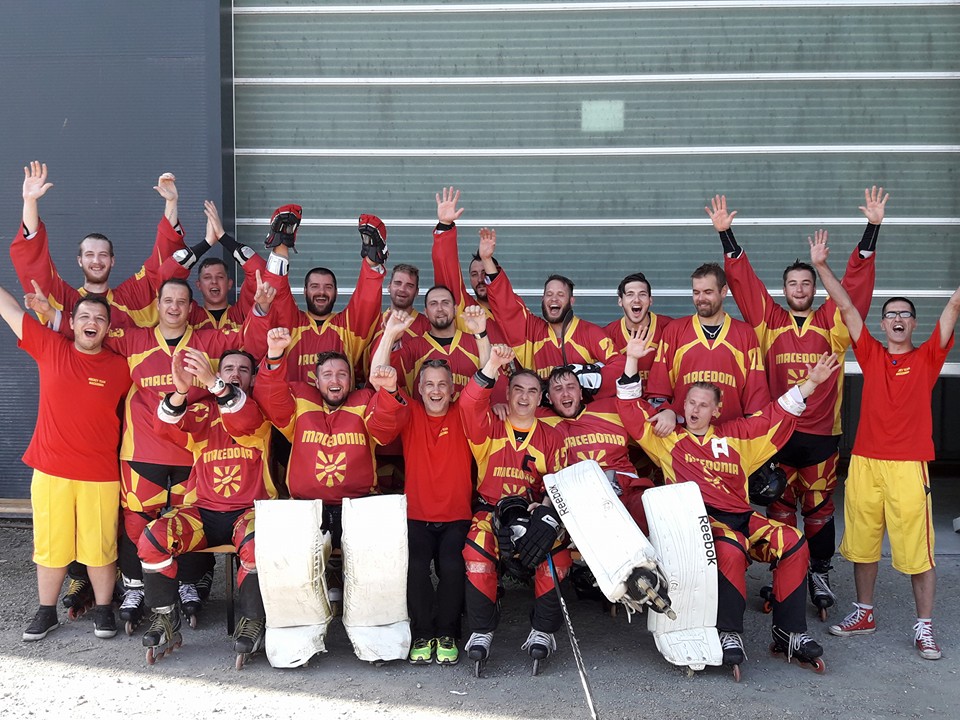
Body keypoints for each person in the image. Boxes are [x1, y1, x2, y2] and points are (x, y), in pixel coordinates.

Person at [618, 328, 841, 676]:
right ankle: (728, 633)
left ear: (716, 409)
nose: (694, 409)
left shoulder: (738, 434)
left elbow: (778, 414)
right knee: (732, 549)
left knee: (793, 542)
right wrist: (632, 359)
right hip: (703, 523)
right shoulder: (668, 438)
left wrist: (811, 383)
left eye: (703, 404)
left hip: (741, 515)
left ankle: (789, 632)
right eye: (690, 402)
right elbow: (629, 409)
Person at [707, 189, 884, 616]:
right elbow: (744, 284)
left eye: (806, 283)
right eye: (793, 283)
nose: (800, 289)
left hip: (823, 435)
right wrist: (727, 235)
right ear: (783, 289)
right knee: (781, 509)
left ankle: (820, 573)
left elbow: (854, 292)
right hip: (780, 435)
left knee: (820, 509)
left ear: (813, 289)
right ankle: (783, 576)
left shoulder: (831, 322)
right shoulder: (769, 322)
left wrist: (871, 232)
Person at [812, 233, 960, 660]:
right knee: (862, 542)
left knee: (917, 550)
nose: (897, 319)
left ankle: (924, 626)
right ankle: (865, 612)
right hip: (865, 463)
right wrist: (822, 266)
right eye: (891, 314)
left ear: (914, 324)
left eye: (905, 315)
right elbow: (844, 307)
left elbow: (952, 308)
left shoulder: (929, 356)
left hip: (909, 465)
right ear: (882, 324)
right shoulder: (871, 353)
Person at [103, 277, 247, 631]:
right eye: (168, 300)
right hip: (142, 450)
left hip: (189, 450)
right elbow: (84, 330)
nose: (174, 307)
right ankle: (136, 588)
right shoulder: (135, 338)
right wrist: (48, 313)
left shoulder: (206, 341)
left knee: (189, 518)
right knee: (137, 518)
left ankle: (187, 585)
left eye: (181, 301)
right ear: (158, 302)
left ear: (190, 305)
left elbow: (251, 336)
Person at [0, 285, 131, 641]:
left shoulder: (122, 367)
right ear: (70, 322)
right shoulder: (49, 346)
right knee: (50, 545)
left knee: (101, 547)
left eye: (100, 319)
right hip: (50, 470)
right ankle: (46, 611)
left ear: (108, 328)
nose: (92, 323)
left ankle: (104, 611)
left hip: (101, 474)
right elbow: (10, 310)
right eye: (85, 316)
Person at [139, 348, 275, 662]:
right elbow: (165, 428)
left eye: (244, 369)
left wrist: (215, 383)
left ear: (253, 377)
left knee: (258, 547)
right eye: (228, 368)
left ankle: (253, 621)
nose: (236, 374)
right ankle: (166, 618)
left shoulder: (260, 408)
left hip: (249, 512)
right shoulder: (201, 412)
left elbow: (243, 419)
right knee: (152, 539)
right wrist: (182, 390)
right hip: (201, 513)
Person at [458, 344, 569, 670]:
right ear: (506, 395)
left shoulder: (552, 436)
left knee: (557, 553)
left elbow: (558, 486)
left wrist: (546, 515)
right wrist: (493, 364)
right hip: (489, 511)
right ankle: (481, 631)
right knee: (477, 550)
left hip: (532, 511)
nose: (524, 397)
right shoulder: (489, 427)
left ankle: (543, 631)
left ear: (541, 398)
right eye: (517, 389)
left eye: (532, 391)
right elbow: (468, 403)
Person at [374, 310, 476, 666]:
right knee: (414, 567)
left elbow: (487, 379)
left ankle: (446, 631)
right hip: (416, 515)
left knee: (451, 566)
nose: (435, 390)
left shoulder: (464, 413)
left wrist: (479, 334)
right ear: (419, 388)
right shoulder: (410, 412)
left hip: (456, 516)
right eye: (429, 384)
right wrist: (389, 333)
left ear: (453, 389)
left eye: (442, 384)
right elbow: (378, 377)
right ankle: (422, 632)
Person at [12, 162, 185, 331]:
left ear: (112, 260)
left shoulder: (132, 298)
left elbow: (163, 267)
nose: (96, 260)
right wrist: (30, 201)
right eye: (89, 254)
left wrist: (171, 202)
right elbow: (33, 263)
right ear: (79, 260)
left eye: (103, 254)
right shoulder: (65, 300)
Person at [477, 228, 623, 394]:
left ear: (571, 301)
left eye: (560, 294)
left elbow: (620, 365)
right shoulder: (532, 331)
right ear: (543, 300)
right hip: (543, 416)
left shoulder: (591, 333)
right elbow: (507, 305)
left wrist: (589, 379)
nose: (554, 299)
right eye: (549, 294)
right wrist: (487, 260)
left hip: (582, 416)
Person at [243, 216, 386, 385]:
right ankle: (281, 237)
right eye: (315, 286)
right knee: (273, 294)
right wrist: (262, 305)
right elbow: (278, 293)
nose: (321, 292)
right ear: (304, 291)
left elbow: (366, 301)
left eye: (328, 287)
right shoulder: (292, 323)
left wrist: (372, 256)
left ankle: (374, 253)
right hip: (295, 409)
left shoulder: (347, 328)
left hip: (340, 410)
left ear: (336, 292)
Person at [646, 262, 770, 423]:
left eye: (708, 292)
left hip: (729, 436)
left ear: (723, 291)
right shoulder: (674, 330)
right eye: (696, 292)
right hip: (683, 436)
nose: (701, 298)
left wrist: (750, 434)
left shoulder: (745, 334)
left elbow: (756, 396)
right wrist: (665, 412)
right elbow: (658, 390)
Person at [540, 365, 657, 533]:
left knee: (654, 512)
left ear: (581, 393)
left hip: (628, 488)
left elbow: (639, 408)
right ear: (549, 398)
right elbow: (515, 413)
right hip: (586, 499)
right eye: (558, 389)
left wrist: (669, 412)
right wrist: (501, 407)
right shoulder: (543, 420)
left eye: (571, 387)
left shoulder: (610, 408)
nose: (565, 393)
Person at [430, 186, 505, 344]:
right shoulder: (464, 307)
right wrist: (445, 225)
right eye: (474, 274)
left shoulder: (513, 310)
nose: (480, 279)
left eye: (485, 273)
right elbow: (446, 267)